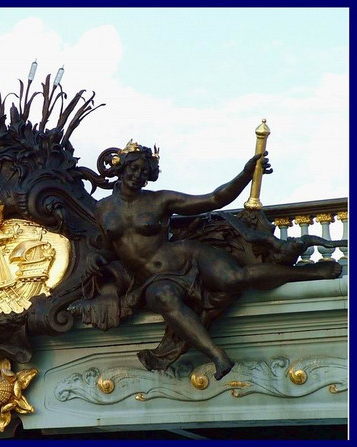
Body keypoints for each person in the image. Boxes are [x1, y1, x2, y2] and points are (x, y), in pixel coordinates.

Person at [93, 141, 342, 380]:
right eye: (134, 168)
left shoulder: (159, 200)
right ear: (121, 167)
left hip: (186, 256)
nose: (137, 175)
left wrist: (246, 174)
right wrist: (103, 275)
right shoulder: (102, 209)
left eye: (144, 171)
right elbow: (107, 251)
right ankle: (217, 355)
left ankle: (309, 273)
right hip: (154, 280)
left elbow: (213, 199)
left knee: (235, 278)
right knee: (162, 296)